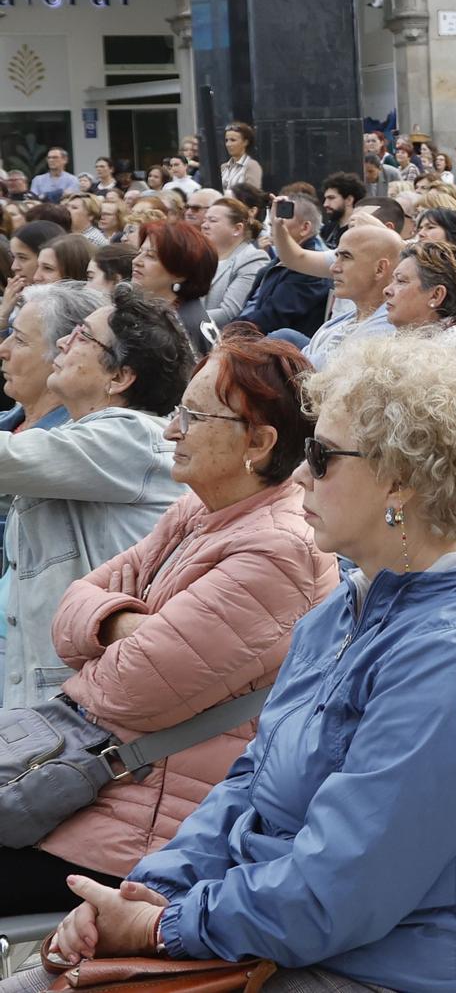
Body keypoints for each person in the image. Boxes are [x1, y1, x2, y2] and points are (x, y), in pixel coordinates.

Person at [13, 334, 456, 992]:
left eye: (322, 455)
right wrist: (147, 891)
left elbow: (339, 889)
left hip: (373, 968)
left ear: (403, 478)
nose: (300, 473)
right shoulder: (350, 607)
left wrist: (161, 926)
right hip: (281, 937)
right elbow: (247, 786)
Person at [0, 331, 334, 912]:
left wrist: (107, 632)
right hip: (91, 785)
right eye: (179, 410)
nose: (171, 430)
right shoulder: (202, 509)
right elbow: (70, 607)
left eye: (194, 416)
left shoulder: (279, 550)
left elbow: (122, 691)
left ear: (259, 440)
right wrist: (123, 624)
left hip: (143, 831)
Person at [0, 286, 190, 709]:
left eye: (83, 336)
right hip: (55, 686)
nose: (64, 342)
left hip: (82, 697)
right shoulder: (85, 437)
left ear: (119, 377)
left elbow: (7, 459)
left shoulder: (132, 435)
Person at [0, 284, 95, 547]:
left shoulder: (72, 448)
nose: (3, 350)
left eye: (19, 340)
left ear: (63, 355)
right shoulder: (11, 419)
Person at [296, 223, 401, 368]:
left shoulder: (388, 327)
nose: (334, 267)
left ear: (380, 269)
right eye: (337, 256)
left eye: (346, 257)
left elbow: (311, 370)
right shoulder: (345, 320)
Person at [237, 197, 331, 337]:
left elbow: (271, 317)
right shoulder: (279, 259)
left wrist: (230, 333)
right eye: (273, 218)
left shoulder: (311, 269)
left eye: (282, 218)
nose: (272, 223)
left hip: (278, 349)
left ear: (305, 228)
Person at [132, 219, 218, 359]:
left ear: (180, 274)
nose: (136, 261)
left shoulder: (179, 328)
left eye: (151, 256)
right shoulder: (175, 310)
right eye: (139, 252)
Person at [382, 238, 456, 331]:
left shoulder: (451, 345)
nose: (386, 290)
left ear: (436, 295)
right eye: (393, 280)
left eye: (401, 281)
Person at [199, 196, 264, 327]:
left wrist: (182, 319)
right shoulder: (201, 256)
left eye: (212, 221)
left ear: (237, 229)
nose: (204, 225)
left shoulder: (252, 259)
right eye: (205, 220)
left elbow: (229, 313)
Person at [216, 121, 262, 191]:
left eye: (233, 140)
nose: (228, 144)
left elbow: (252, 196)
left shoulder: (252, 166)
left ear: (245, 142)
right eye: (226, 140)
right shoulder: (223, 167)